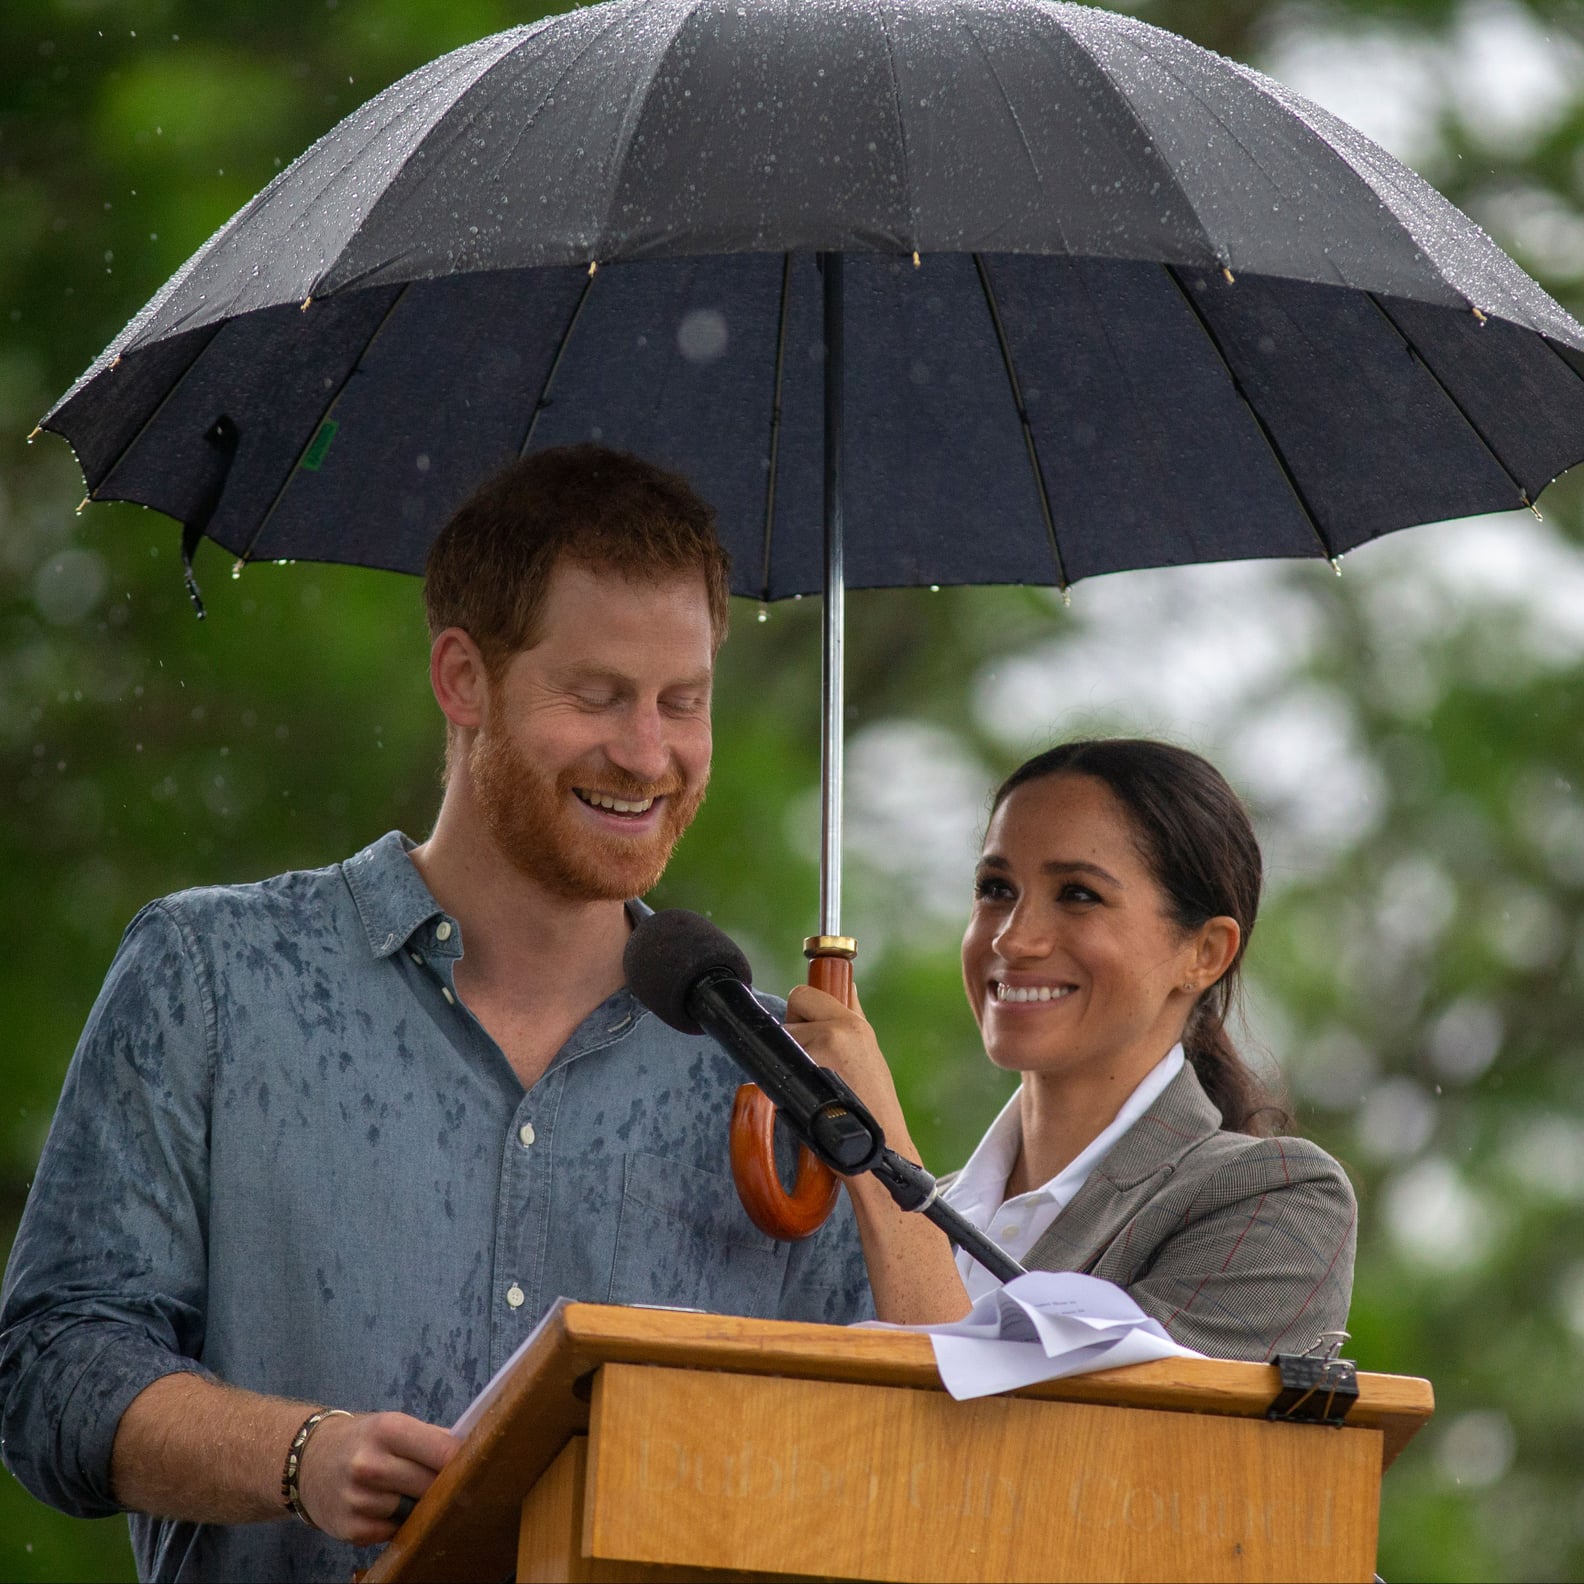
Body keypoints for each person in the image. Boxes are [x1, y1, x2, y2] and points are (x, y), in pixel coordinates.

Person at [0, 444, 869, 1582]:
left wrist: (872, 1121)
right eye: (597, 694)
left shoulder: (782, 1074)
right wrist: (301, 1454)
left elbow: (872, 1457)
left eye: (681, 703)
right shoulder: (211, 973)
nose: (648, 755)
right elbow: (51, 1369)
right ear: (463, 678)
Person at [786, 738, 1356, 1360]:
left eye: (1079, 895)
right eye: (996, 889)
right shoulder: (917, 1210)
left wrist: (878, 1157)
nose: (1014, 937)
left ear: (1204, 954)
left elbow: (1027, 1446)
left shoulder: (1274, 1199)